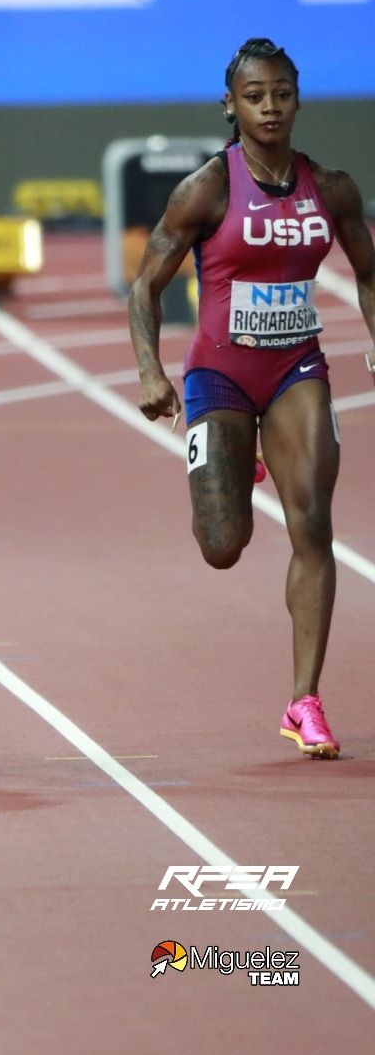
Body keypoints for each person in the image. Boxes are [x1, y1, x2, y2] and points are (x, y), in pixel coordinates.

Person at [129, 38, 375, 759]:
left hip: (298, 368)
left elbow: (367, 270)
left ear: (298, 100)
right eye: (255, 96)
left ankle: (305, 700)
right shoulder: (206, 189)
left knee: (314, 524)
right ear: (231, 106)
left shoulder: (331, 188)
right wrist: (150, 372)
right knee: (222, 546)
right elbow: (144, 285)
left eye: (282, 94)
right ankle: (241, 461)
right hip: (221, 376)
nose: (270, 107)